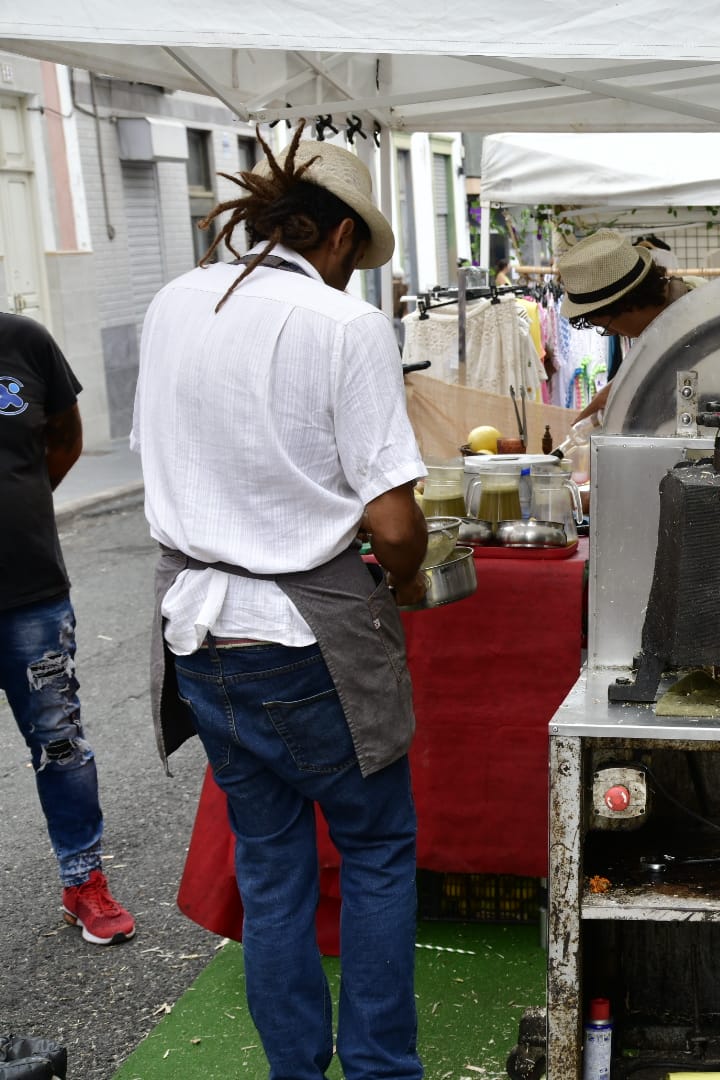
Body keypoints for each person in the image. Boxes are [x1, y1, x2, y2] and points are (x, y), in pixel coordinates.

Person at [133, 125, 428, 1080]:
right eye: (357, 256)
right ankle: (381, 1069)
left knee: (270, 873)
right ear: (337, 239)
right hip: (306, 634)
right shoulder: (343, 326)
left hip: (195, 627)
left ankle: (296, 1070)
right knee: (377, 852)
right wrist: (415, 578)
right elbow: (393, 522)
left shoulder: (175, 302)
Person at [0, 314, 137, 947]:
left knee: (60, 743)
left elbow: (64, 438)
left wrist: (19, 504)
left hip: (30, 595)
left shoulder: (22, 342)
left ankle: (83, 881)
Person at [557, 229, 690, 426]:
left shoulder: (696, 324)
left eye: (605, 326)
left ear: (627, 305)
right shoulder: (664, 324)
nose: (611, 334)